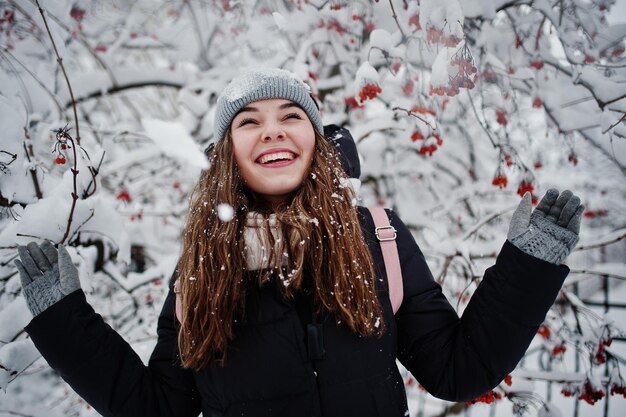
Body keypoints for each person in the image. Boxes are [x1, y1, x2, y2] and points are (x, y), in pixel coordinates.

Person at [15, 68, 584, 417]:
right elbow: (162, 407)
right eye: (248, 121)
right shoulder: (203, 272)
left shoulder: (377, 239)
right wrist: (66, 324)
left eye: (292, 115)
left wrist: (528, 268)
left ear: (317, 141)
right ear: (227, 158)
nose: (272, 130)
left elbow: (456, 369)